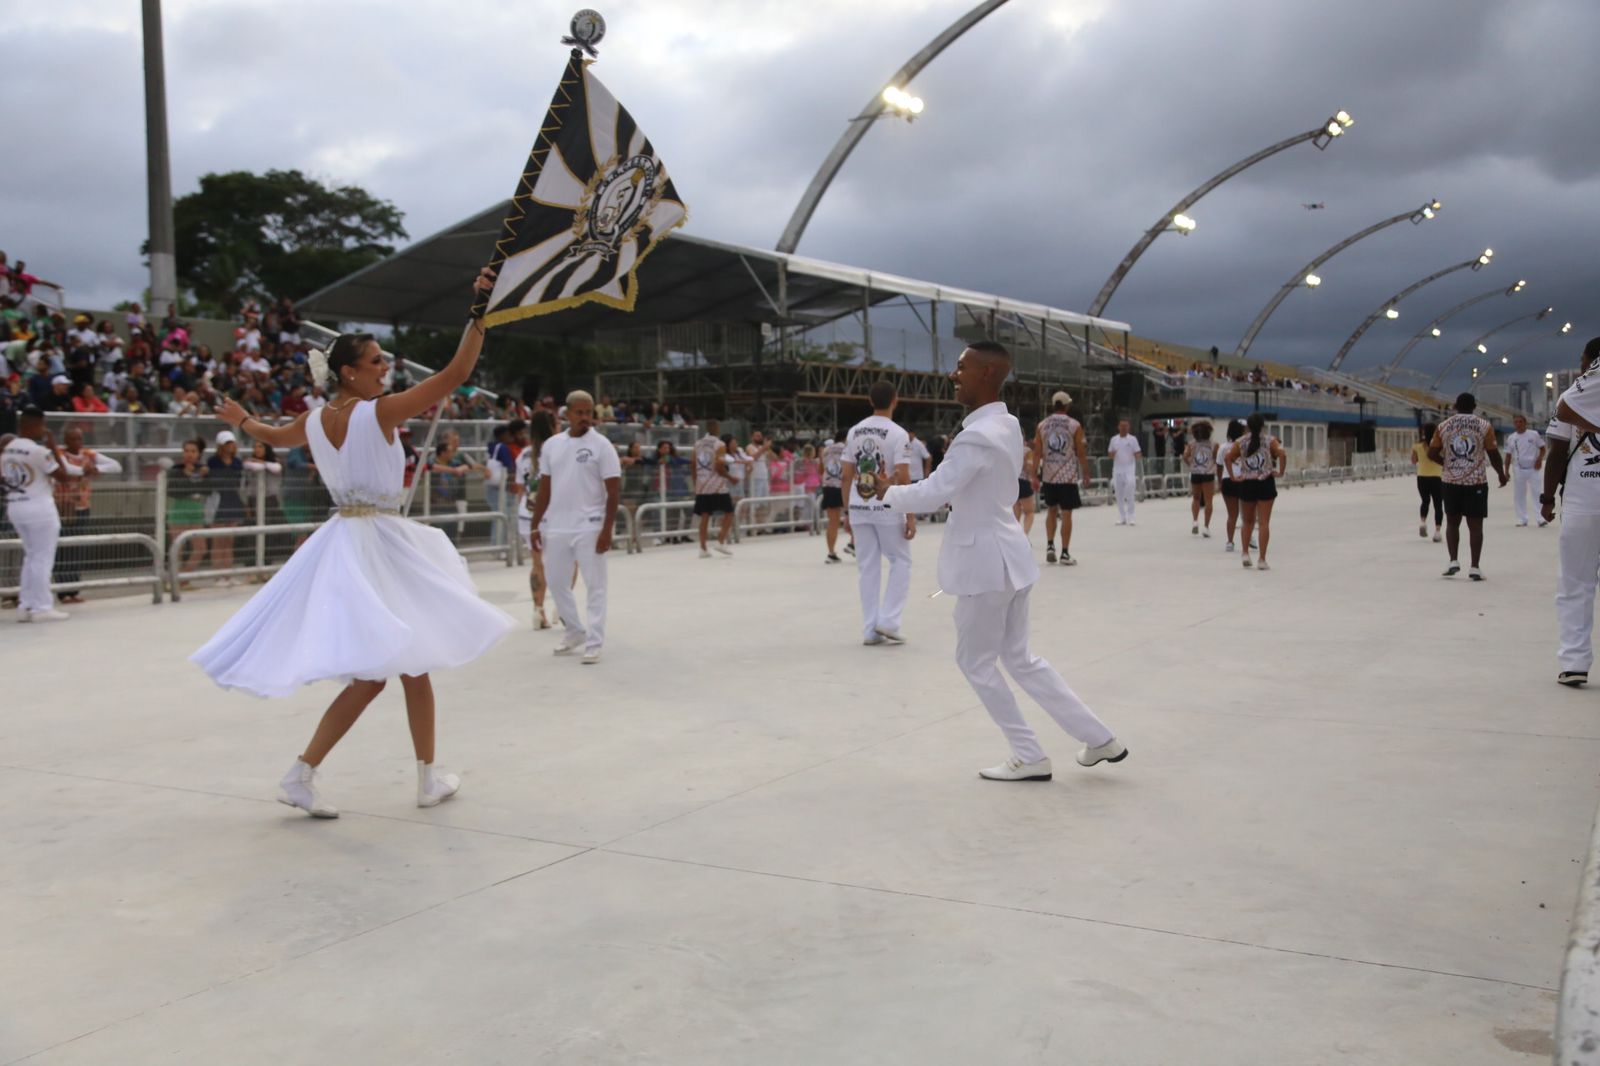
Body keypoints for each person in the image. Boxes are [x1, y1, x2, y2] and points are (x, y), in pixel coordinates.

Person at [191, 267, 515, 819]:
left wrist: (242, 417)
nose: (385, 369)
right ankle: (404, 777)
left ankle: (329, 774)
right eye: (376, 363)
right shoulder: (380, 411)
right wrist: (480, 308)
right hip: (380, 543)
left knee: (397, 670)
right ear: (348, 372)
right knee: (399, 668)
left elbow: (269, 437)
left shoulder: (315, 420)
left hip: (346, 539)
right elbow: (458, 371)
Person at [876, 343, 1127, 781]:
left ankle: (1029, 755)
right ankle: (1100, 738)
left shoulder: (976, 435)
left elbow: (936, 492)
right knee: (1020, 659)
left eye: (962, 368)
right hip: (1008, 556)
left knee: (975, 662)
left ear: (988, 373)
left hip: (983, 564)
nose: (954, 376)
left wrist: (888, 494)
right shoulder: (1006, 424)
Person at [528, 391, 621, 664]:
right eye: (579, 413)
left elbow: (613, 492)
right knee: (556, 582)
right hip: (557, 526)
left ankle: (594, 641)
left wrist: (607, 529)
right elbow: (544, 488)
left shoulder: (602, 446)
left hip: (590, 527)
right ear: (566, 414)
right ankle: (574, 630)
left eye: (589, 413)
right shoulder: (552, 446)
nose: (585, 418)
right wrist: (535, 525)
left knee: (595, 586)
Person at [840, 380, 914, 646]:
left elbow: (846, 475)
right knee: (900, 561)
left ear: (870, 401)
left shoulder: (854, 432)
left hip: (859, 505)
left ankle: (870, 629)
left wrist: (847, 512)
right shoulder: (898, 434)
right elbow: (904, 477)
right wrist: (911, 515)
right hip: (887, 505)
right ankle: (889, 621)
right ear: (895, 400)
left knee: (867, 567)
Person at [1546, 337, 1600, 686]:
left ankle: (1574, 661)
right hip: (1583, 500)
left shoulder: (1585, 386)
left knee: (1576, 582)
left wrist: (1547, 496)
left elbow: (1557, 447)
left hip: (1584, 500)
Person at [2, 406, 81, 621]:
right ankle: (42, 606)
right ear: (36, 424)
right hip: (39, 507)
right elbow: (63, 476)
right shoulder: (38, 451)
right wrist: (53, 446)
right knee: (43, 558)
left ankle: (26, 605)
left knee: (31, 556)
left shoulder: (8, 448)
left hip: (16, 504)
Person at [1429, 393, 1507, 580]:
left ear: (1455, 406)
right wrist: (1501, 474)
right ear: (1475, 406)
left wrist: (1447, 464)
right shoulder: (1484, 426)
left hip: (1451, 481)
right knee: (1475, 525)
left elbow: (1432, 453)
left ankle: (1453, 560)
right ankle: (1475, 567)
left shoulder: (1443, 426)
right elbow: (1493, 454)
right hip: (1476, 482)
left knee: (1452, 522)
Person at [53, 426, 120, 602]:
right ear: (66, 440)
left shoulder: (88, 454)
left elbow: (116, 466)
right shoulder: (59, 453)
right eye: (73, 439)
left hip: (82, 507)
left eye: (79, 439)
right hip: (62, 507)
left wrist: (98, 469)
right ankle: (62, 590)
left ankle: (74, 590)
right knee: (61, 549)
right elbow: (66, 468)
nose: (77, 443)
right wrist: (86, 470)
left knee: (76, 547)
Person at [1224, 413, 1286, 571]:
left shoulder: (1240, 442)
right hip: (1265, 482)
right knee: (1264, 522)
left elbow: (1228, 457)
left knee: (1247, 521)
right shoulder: (1270, 440)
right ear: (1262, 426)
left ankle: (1245, 553)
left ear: (1248, 426)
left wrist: (1232, 476)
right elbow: (1282, 453)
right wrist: (1280, 472)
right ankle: (1262, 559)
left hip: (1247, 483)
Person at [514, 409, 558, 628]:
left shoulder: (523, 454)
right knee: (564, 563)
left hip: (527, 514)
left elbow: (520, 489)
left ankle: (537, 610)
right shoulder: (558, 451)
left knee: (537, 564)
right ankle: (561, 606)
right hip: (553, 514)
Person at [1035, 391, 1086, 565]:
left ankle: (1050, 545)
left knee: (1051, 510)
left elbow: (1037, 452)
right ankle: (1064, 552)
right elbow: (1080, 451)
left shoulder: (1042, 425)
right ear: (1067, 405)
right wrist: (1086, 472)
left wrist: (1035, 475)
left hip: (1049, 476)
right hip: (1067, 476)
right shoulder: (1074, 425)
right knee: (1066, 514)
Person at [206, 430, 247, 585]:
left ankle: (228, 575)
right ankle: (218, 576)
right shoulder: (213, 462)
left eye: (232, 443)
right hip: (218, 500)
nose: (231, 446)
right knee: (218, 540)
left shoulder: (237, 462)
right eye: (227, 443)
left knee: (229, 540)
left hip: (233, 499)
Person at [693, 419, 735, 557]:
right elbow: (719, 465)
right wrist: (730, 477)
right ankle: (720, 541)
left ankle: (703, 548)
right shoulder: (720, 444)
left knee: (705, 515)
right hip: (717, 485)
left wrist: (696, 482)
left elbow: (692, 464)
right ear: (717, 428)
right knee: (729, 512)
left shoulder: (697, 444)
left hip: (702, 485)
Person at [1502, 414, 1546, 527]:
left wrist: (1540, 459)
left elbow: (1542, 448)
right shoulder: (1512, 438)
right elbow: (1508, 456)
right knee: (1519, 494)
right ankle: (1522, 518)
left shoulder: (1534, 434)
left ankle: (1540, 517)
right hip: (1519, 469)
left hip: (1533, 468)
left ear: (1525, 423)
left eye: (1520, 422)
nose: (1518, 424)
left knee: (1537, 492)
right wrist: (1506, 471)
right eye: (1516, 422)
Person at [1183, 420, 1218, 538]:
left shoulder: (1192, 444)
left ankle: (1195, 521)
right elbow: (1215, 459)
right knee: (1209, 501)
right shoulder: (1213, 444)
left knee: (1196, 498)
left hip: (1195, 473)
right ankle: (1206, 527)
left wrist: (1191, 465)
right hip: (1208, 473)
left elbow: (1185, 456)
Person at [1411, 422, 1444, 542]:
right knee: (1438, 505)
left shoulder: (1417, 446)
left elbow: (1414, 461)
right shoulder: (1440, 446)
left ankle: (1423, 522)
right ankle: (1437, 532)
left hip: (1422, 477)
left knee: (1425, 500)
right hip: (1437, 477)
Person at [1108, 419, 1141, 525]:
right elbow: (1110, 455)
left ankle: (1131, 516)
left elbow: (1137, 453)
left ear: (1128, 427)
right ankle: (1122, 517)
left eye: (1126, 426)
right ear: (1118, 427)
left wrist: (1138, 457)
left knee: (1130, 491)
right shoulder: (1114, 440)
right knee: (1119, 494)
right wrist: (1113, 453)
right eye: (1122, 426)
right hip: (1117, 470)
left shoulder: (1132, 439)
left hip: (1129, 470)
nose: (1124, 428)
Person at [820, 432, 846, 563]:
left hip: (829, 486)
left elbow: (822, 467)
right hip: (843, 486)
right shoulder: (847, 449)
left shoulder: (826, 450)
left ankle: (831, 552)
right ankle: (854, 544)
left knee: (833, 522)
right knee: (853, 517)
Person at [1014, 433, 1037, 537]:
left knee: (1015, 513)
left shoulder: (1010, 450)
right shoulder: (1027, 451)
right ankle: (1024, 535)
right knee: (1029, 512)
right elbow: (1029, 467)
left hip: (1012, 483)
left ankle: (1015, 536)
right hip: (1023, 482)